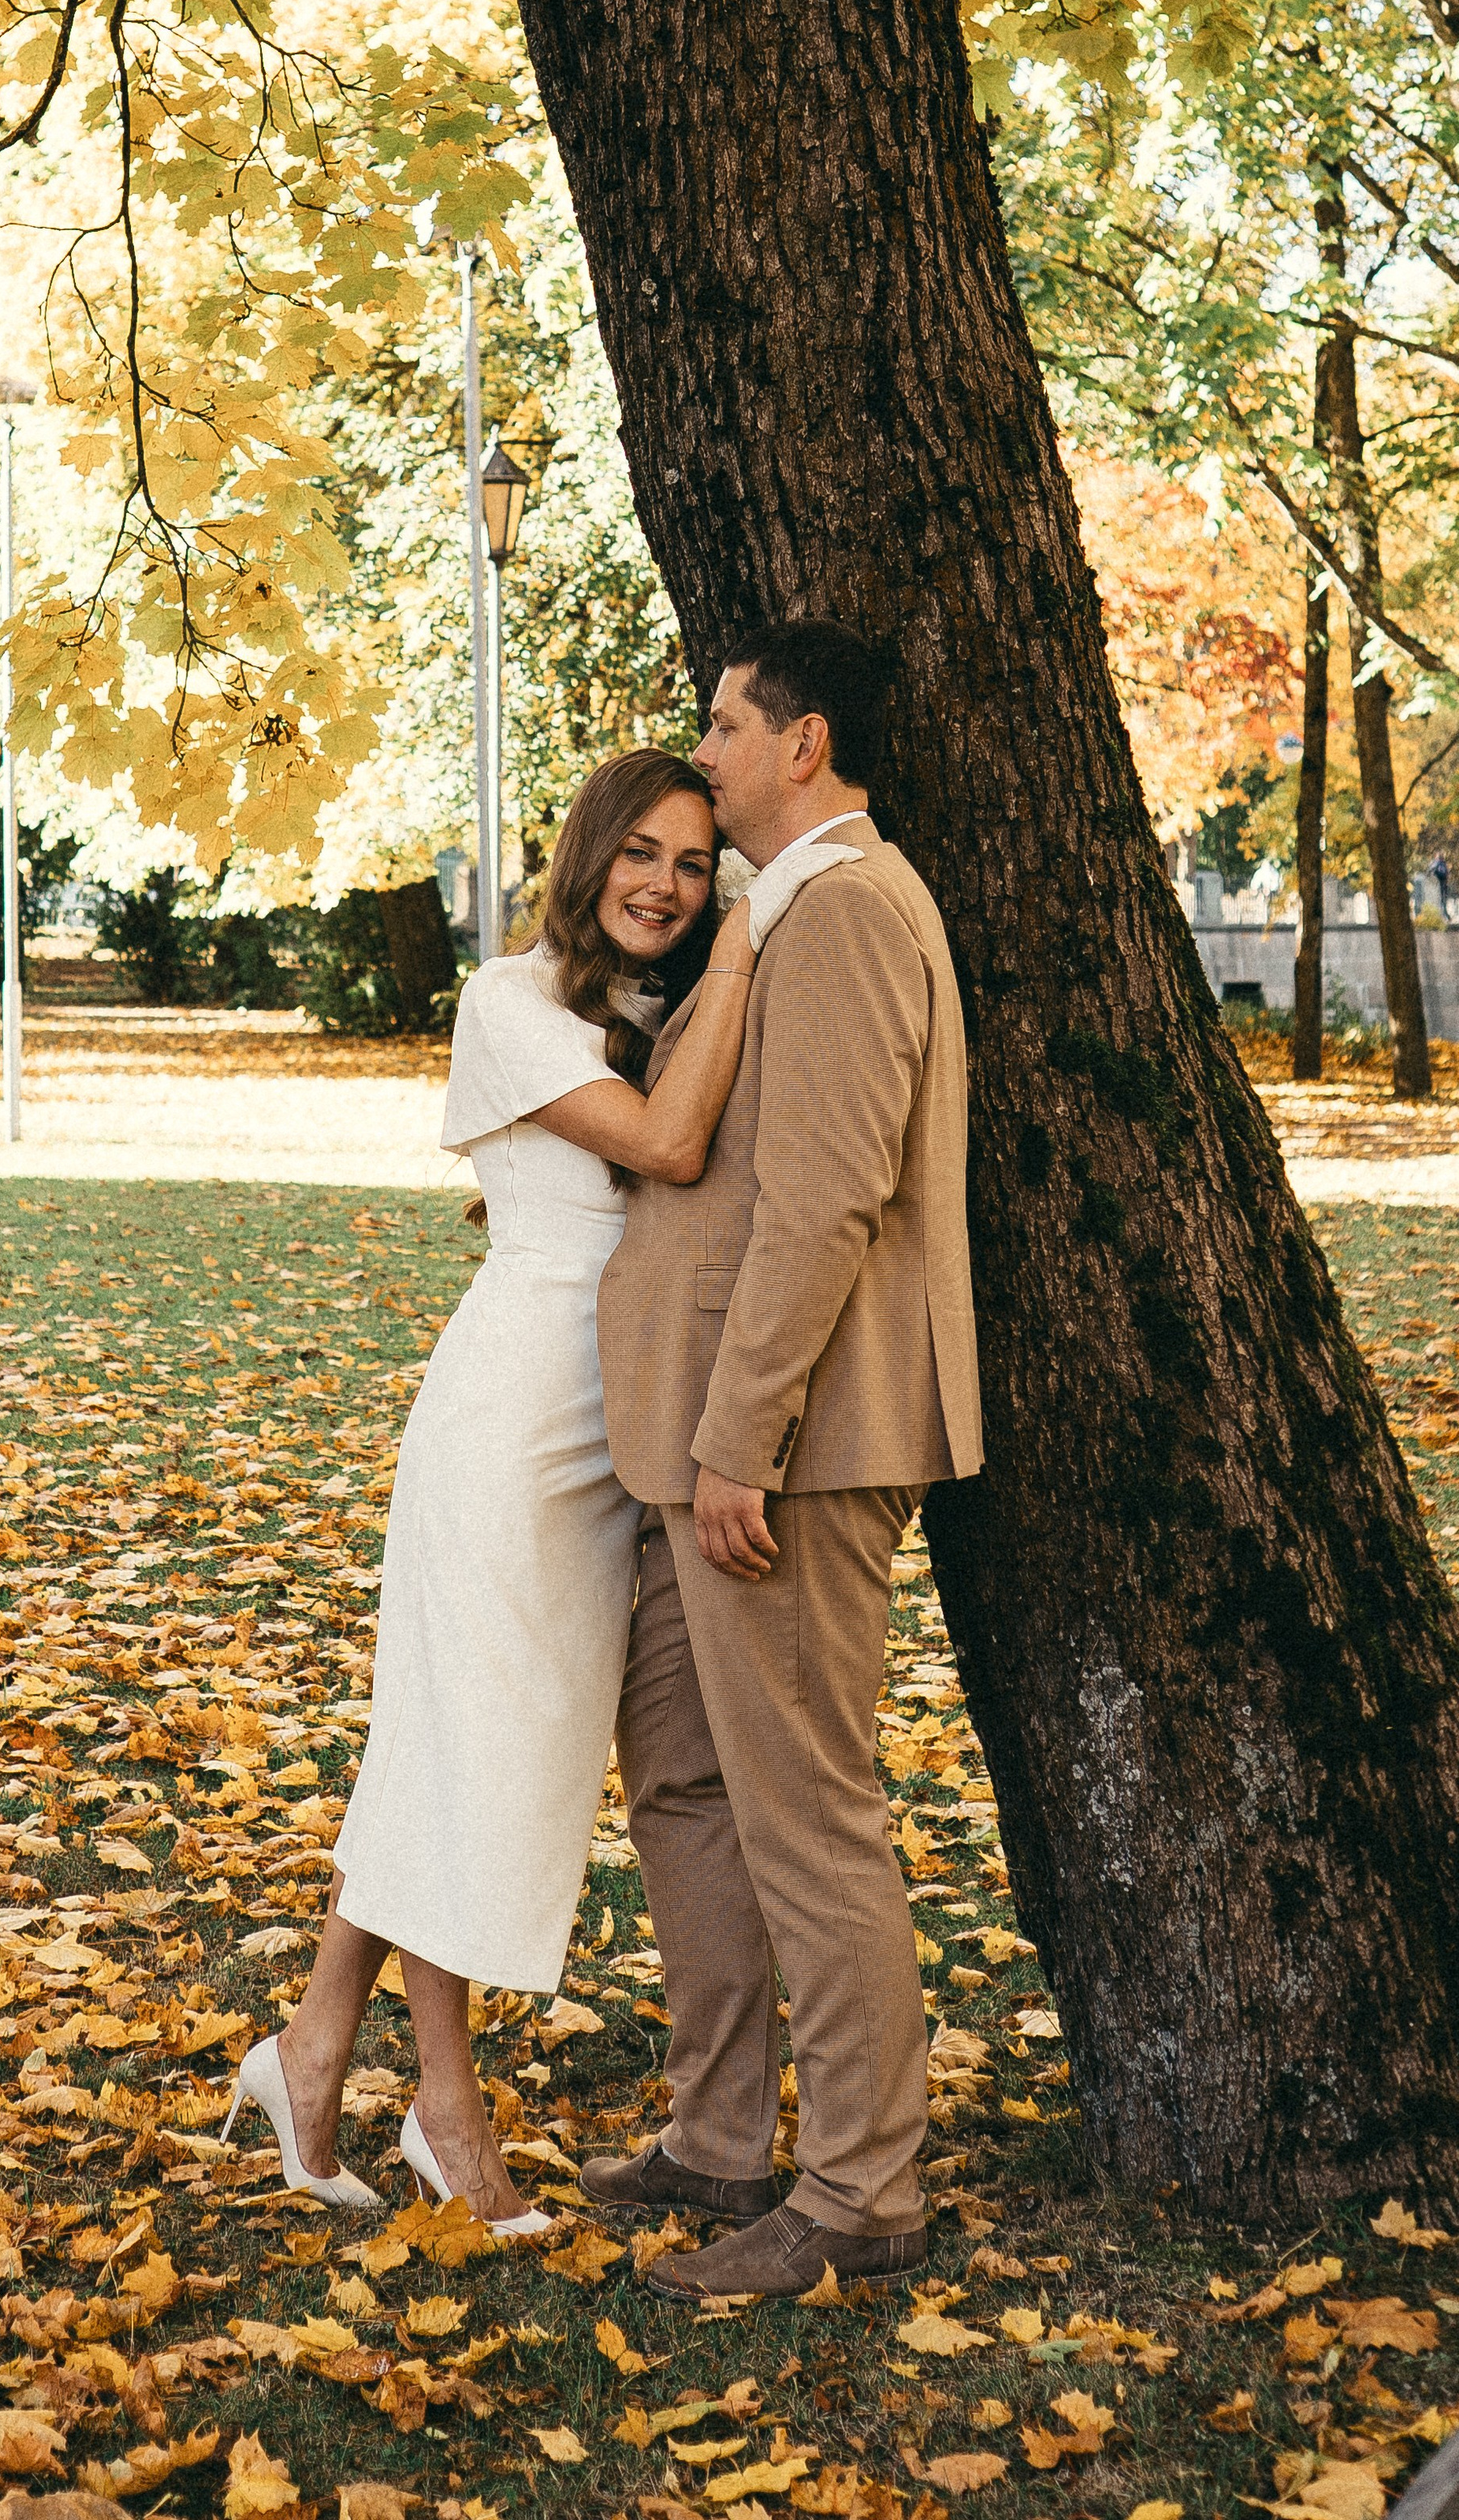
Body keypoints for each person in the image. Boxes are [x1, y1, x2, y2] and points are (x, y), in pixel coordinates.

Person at [221, 749, 770, 2228]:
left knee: (458, 1742)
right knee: (467, 1748)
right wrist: (764, 932)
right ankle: (447, 2117)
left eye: (699, 864)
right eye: (641, 854)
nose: (667, 884)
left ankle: (314, 2047)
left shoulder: (650, 1011)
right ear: (588, 856)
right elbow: (668, 1146)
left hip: (620, 1426)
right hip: (513, 1418)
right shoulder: (509, 1002)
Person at [581, 619, 983, 2300]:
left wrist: (739, 1440)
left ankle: (860, 2197)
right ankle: (720, 2131)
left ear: (800, 744)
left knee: (806, 1814)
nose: (710, 756)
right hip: (694, 1447)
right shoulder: (783, 912)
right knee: (682, 1784)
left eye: (726, 732)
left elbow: (824, 1199)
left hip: (784, 1456)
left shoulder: (849, 909)